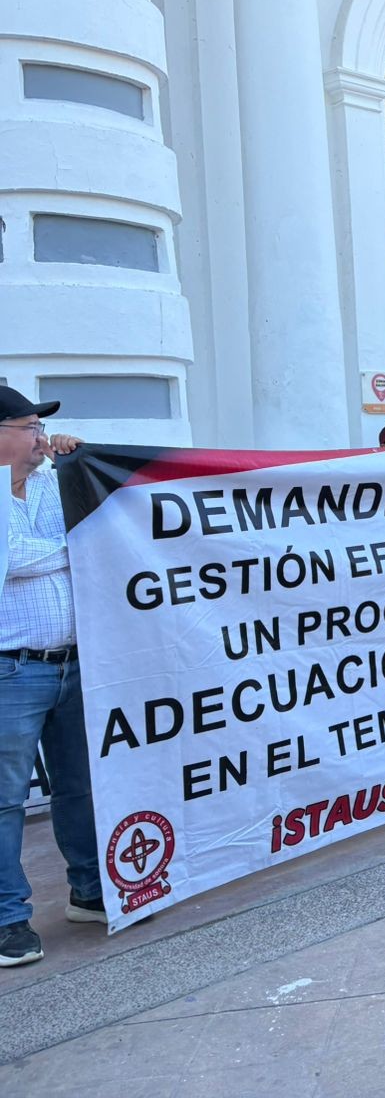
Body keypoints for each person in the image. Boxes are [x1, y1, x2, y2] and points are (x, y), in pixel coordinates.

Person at [0, 386, 102, 968]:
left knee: (80, 785)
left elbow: (100, 530)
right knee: (6, 802)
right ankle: (8, 918)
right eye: (28, 426)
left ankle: (89, 890)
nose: (41, 437)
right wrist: (78, 545)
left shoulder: (46, 481)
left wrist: (84, 464)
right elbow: (10, 557)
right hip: (11, 669)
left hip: (72, 662)